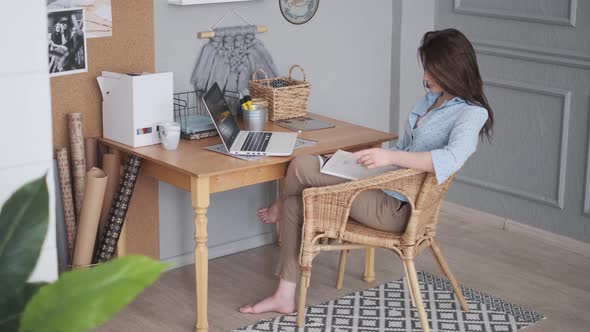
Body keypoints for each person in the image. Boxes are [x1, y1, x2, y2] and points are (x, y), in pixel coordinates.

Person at [239, 28, 495, 315]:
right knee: (297, 187)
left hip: (398, 207)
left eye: (433, 71)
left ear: (454, 69)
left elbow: (452, 157)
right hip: (383, 183)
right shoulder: (433, 99)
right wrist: (354, 160)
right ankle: (284, 295)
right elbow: (405, 150)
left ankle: (277, 207)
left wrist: (388, 155)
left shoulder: (472, 113)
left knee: (298, 176)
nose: (426, 78)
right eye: (426, 69)